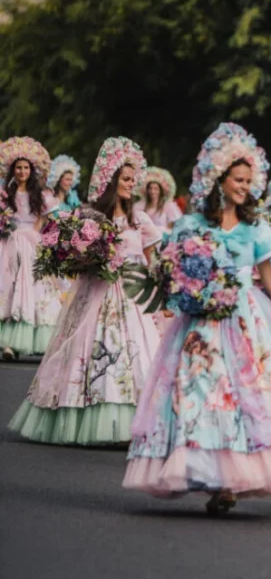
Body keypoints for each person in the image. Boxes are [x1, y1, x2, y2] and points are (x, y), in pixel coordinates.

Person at [124, 123, 271, 514]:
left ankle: (230, 481)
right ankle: (206, 472)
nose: (244, 186)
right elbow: (171, 268)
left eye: (248, 180)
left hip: (247, 320)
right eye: (237, 179)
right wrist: (177, 293)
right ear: (219, 179)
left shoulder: (257, 227)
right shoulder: (194, 225)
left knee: (245, 394)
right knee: (201, 392)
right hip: (202, 321)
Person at [8, 137, 161, 446]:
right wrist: (87, 256)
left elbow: (153, 262)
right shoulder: (92, 218)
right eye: (126, 179)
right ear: (111, 180)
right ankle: (85, 413)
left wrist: (161, 293)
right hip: (95, 291)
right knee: (88, 350)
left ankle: (135, 423)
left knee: (133, 355)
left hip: (131, 296)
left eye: (134, 180)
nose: (131, 185)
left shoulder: (140, 220)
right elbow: (72, 260)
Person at [0, 137, 61, 360]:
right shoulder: (6, 193)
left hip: (32, 241)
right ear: (13, 170)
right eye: (19, 167)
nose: (22, 171)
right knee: (10, 287)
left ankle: (33, 339)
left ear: (31, 170)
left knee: (34, 287)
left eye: (26, 167)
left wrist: (35, 231)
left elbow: (50, 217)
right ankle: (8, 343)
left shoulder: (41, 194)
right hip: (9, 242)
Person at [133, 167, 182, 232]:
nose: (153, 191)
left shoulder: (167, 205)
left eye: (156, 189)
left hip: (162, 237)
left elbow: (176, 223)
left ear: (160, 191)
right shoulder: (140, 206)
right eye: (150, 188)